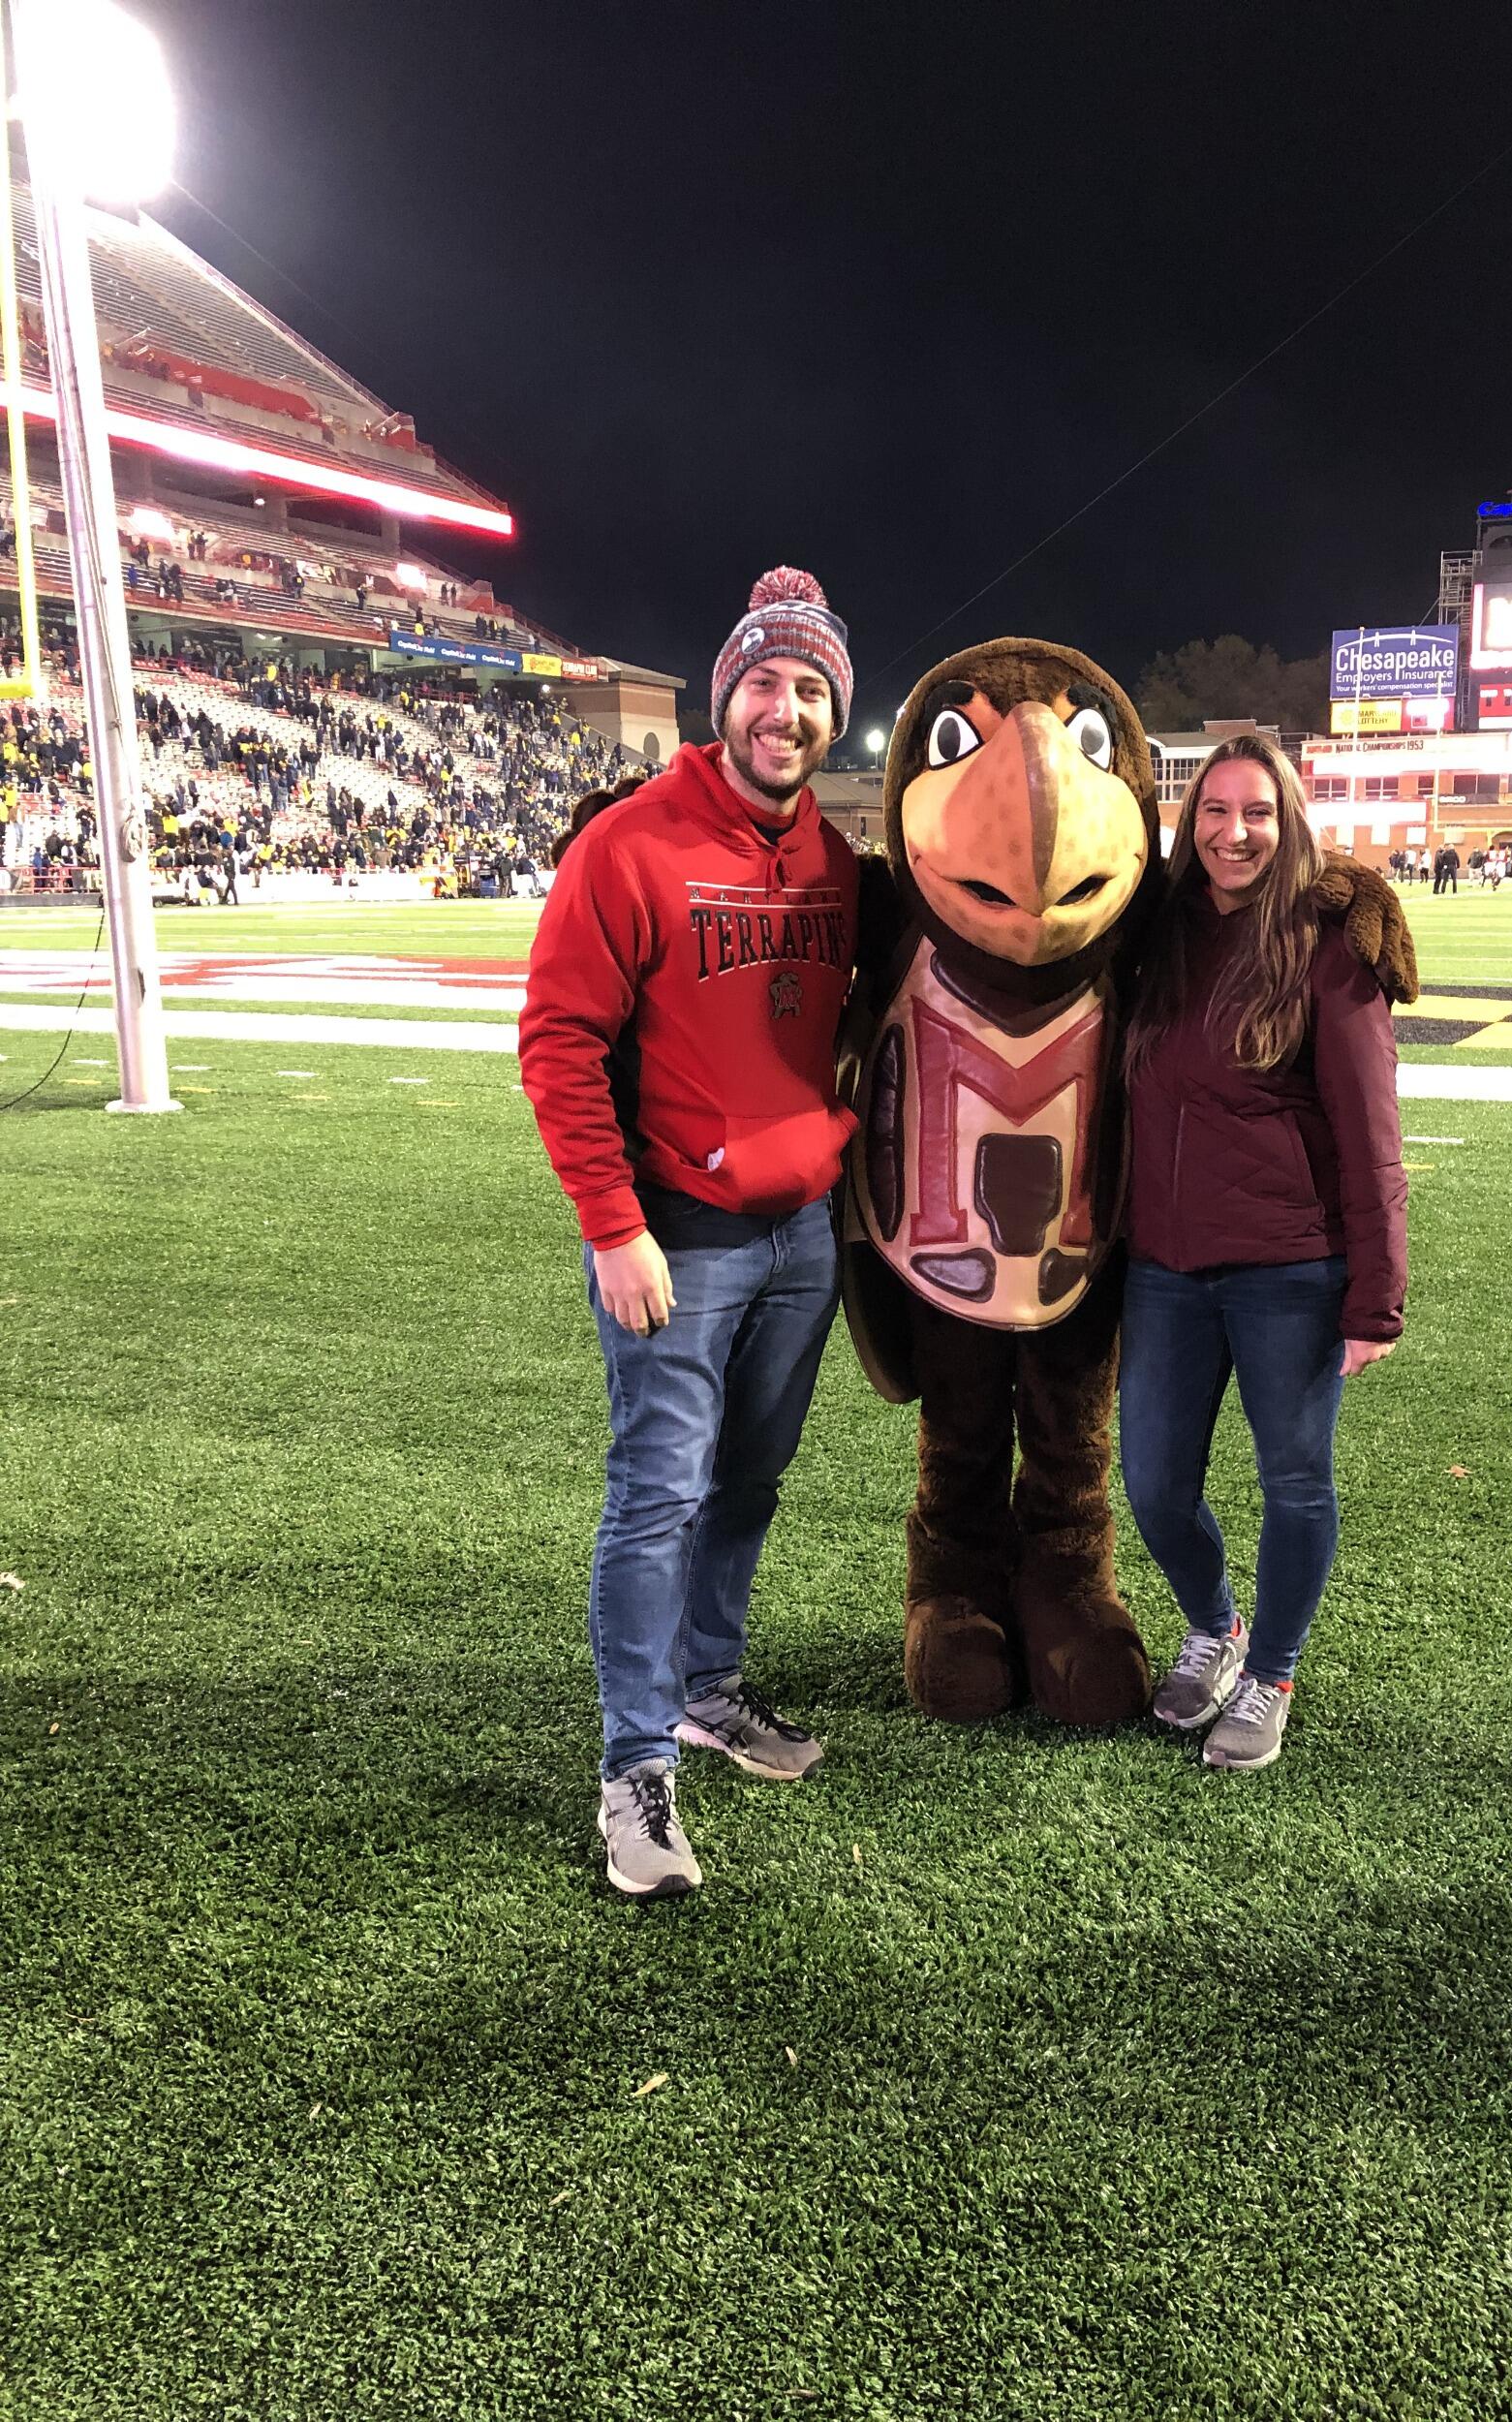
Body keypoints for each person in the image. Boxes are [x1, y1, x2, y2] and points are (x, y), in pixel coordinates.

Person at [519, 568, 859, 1899]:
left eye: (812, 689)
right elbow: (557, 1042)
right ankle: (631, 1768)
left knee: (749, 1482)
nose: (787, 709)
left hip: (802, 1235)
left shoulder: (834, 862)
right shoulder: (629, 843)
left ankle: (707, 1691)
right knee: (655, 1495)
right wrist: (612, 1226)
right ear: (724, 696)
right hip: (676, 1231)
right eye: (766, 683)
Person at [1117, 735, 1409, 1773]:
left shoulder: (1330, 941)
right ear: (1189, 820)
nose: (1234, 833)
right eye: (1215, 812)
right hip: (1164, 1265)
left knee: (1295, 1481)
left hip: (1292, 1265)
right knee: (1151, 1483)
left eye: (1257, 813)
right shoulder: (1155, 930)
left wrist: (1378, 1298)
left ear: (1287, 822)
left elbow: (1371, 1129)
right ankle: (1216, 1623)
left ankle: (1271, 1671)